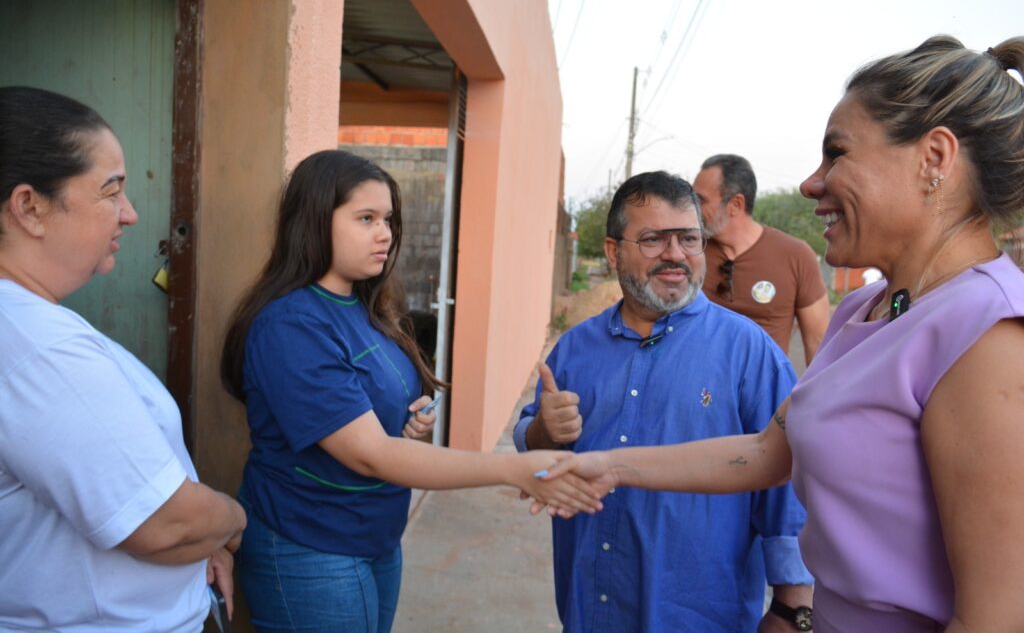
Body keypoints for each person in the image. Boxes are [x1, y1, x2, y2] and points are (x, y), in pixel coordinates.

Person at [542, 36, 1024, 631]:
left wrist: (788, 600)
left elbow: (995, 617)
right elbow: (766, 452)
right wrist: (611, 467)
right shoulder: (869, 308)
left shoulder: (988, 334)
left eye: (837, 154)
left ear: (934, 157)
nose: (809, 185)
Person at [219, 149, 601, 633]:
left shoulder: (364, 307)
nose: (385, 233)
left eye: (388, 220)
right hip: (312, 543)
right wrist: (514, 468)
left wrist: (412, 421)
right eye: (366, 218)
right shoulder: (292, 325)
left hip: (374, 534)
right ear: (315, 220)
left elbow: (378, 427)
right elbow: (371, 455)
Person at [513, 171, 812, 632]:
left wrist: (792, 606)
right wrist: (542, 432)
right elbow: (534, 459)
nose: (676, 255)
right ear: (614, 251)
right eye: (653, 239)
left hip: (702, 614)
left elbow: (786, 480)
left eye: (689, 239)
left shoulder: (749, 353)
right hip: (591, 610)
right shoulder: (574, 350)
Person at [0, 86, 246, 631]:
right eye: (111, 192)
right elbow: (164, 525)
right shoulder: (38, 347)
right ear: (29, 207)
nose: (130, 215)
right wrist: (231, 519)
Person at [694, 154, 830, 361]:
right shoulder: (688, 253)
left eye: (700, 200)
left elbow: (818, 342)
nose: (692, 208)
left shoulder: (796, 255)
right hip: (697, 390)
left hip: (766, 392)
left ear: (735, 204)